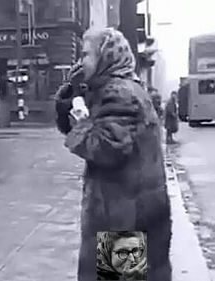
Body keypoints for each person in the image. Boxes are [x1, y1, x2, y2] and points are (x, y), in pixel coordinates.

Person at [54, 28, 172, 281]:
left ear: (106, 56)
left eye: (86, 54)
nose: (80, 61)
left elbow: (107, 148)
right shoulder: (118, 88)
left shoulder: (119, 93)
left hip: (124, 219)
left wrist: (83, 121)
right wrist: (71, 93)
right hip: (126, 214)